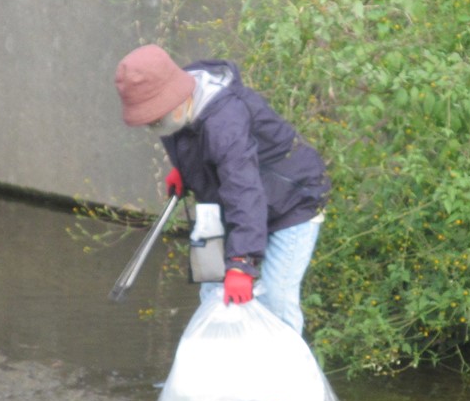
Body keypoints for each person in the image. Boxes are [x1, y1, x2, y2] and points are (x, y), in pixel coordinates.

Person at [114, 44, 329, 334]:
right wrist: (186, 169)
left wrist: (242, 263)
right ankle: (221, 367)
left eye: (156, 117)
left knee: (277, 299)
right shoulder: (173, 105)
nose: (154, 123)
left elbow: (245, 189)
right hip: (225, 199)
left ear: (177, 98)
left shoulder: (225, 122)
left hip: (291, 200)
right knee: (213, 289)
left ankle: (286, 372)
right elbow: (189, 142)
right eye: (148, 120)